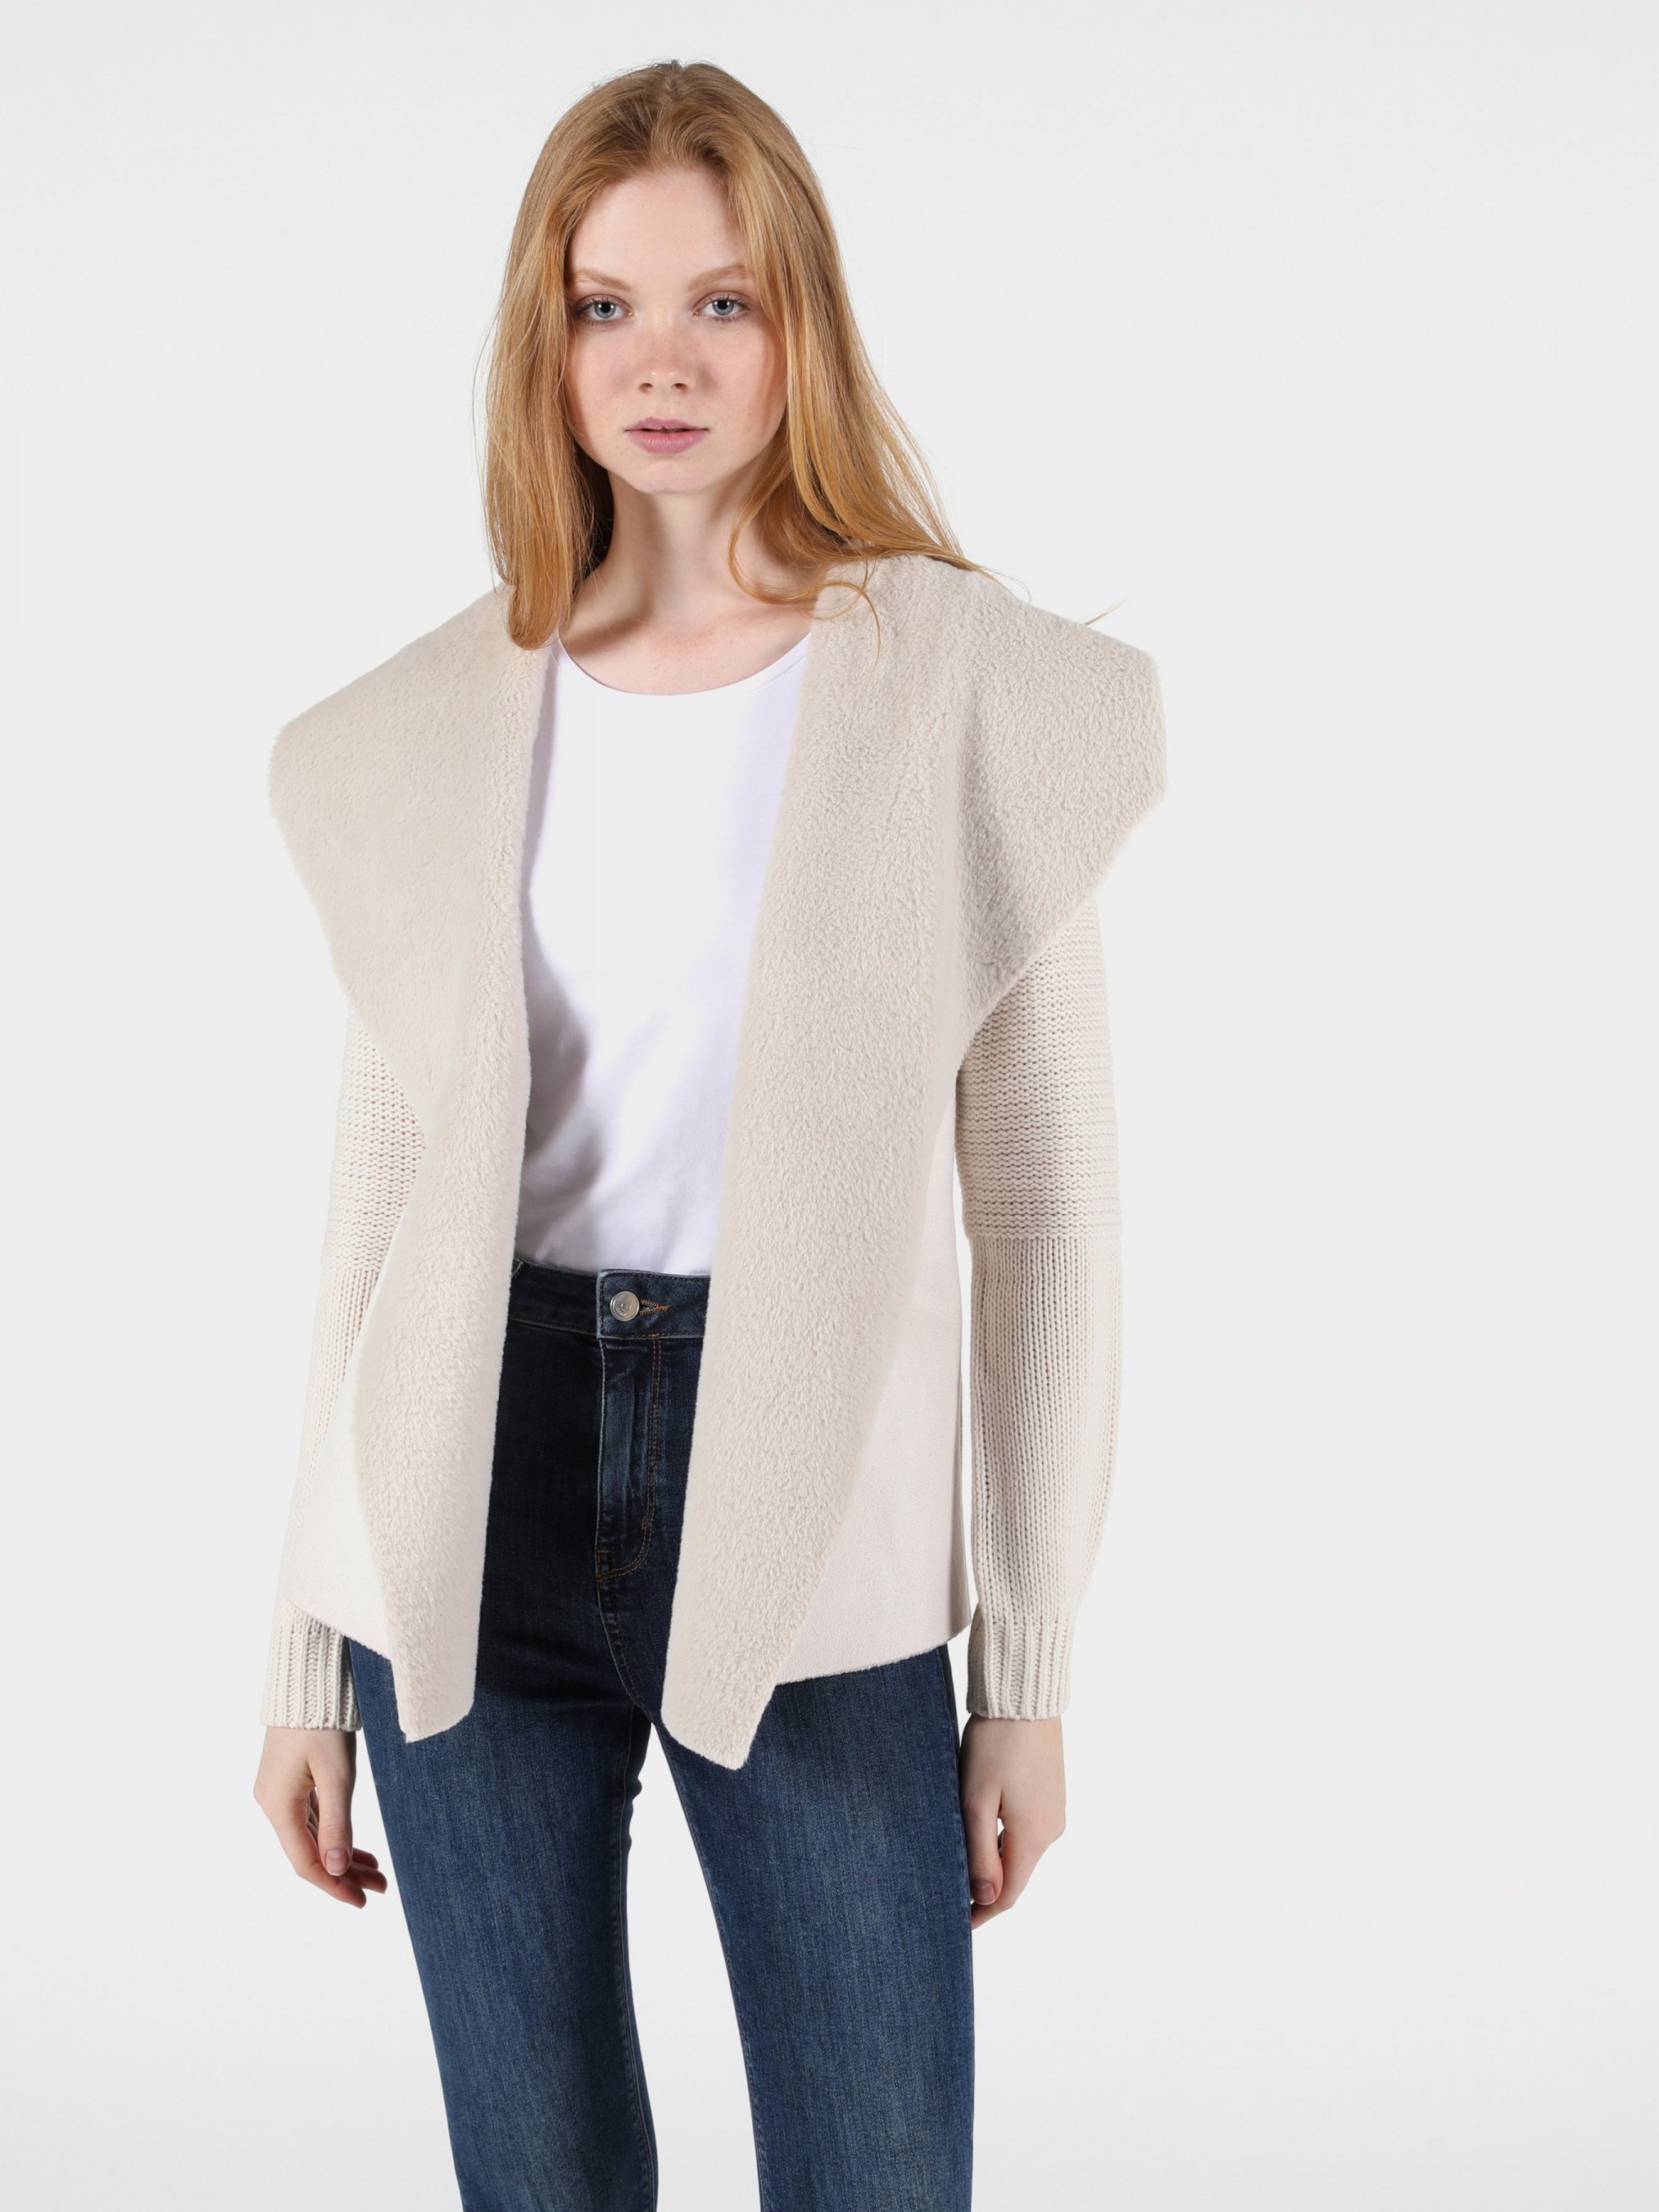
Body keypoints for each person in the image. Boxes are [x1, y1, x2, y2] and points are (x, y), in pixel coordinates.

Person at [252, 57, 1164, 2212]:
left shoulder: (967, 691)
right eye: (606, 306)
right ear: (545, 339)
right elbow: (377, 1204)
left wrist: (1024, 1669)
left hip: (818, 1493)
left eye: (720, 302)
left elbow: (1043, 1205)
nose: (659, 360)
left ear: (799, 326)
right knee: (541, 2174)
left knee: (875, 2169)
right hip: (469, 1487)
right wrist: (302, 1649)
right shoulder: (429, 722)